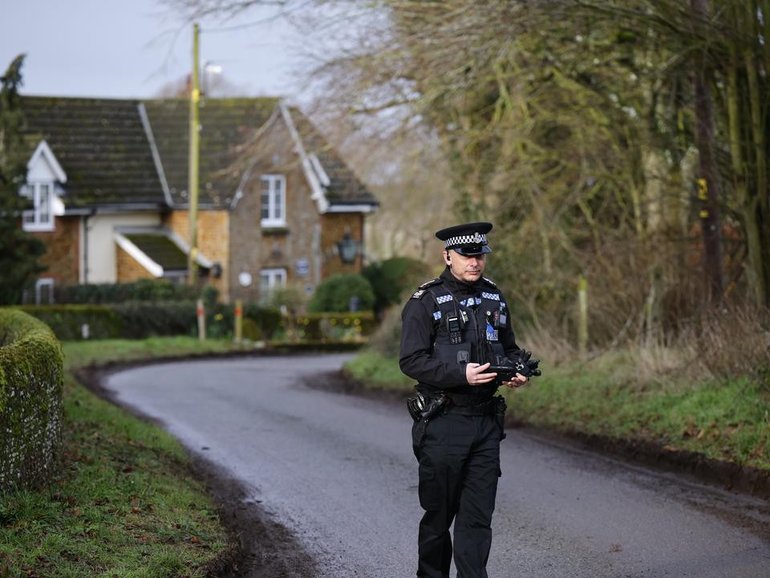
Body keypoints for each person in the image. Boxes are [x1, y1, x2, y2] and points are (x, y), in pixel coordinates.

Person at [400, 221, 532, 578]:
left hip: (486, 424)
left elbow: (508, 347)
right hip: (444, 422)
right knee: (439, 518)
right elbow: (411, 360)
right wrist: (462, 375)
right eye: (466, 255)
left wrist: (515, 370)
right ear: (447, 256)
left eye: (480, 256)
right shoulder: (424, 301)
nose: (474, 262)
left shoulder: (494, 296)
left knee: (477, 518)